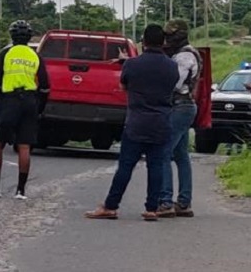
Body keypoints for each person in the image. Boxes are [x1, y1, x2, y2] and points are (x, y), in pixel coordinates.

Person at [85, 24, 179, 221]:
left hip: (136, 122)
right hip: (161, 122)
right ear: (163, 42)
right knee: (156, 166)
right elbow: (173, 88)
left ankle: (111, 206)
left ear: (143, 42)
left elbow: (123, 85)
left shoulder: (132, 64)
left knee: (126, 166)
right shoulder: (172, 66)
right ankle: (151, 209)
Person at [0, 20, 50, 200]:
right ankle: (20, 190)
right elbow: (45, 86)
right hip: (29, 102)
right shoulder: (35, 56)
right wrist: (39, 108)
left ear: (11, 36)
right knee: (24, 146)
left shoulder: (5, 54)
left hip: (8, 101)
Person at [158, 19, 202, 218]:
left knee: (164, 152)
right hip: (184, 106)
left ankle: (166, 201)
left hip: (180, 105)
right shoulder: (183, 53)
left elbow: (176, 83)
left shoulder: (184, 55)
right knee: (181, 155)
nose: (167, 39)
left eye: (170, 35)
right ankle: (184, 202)